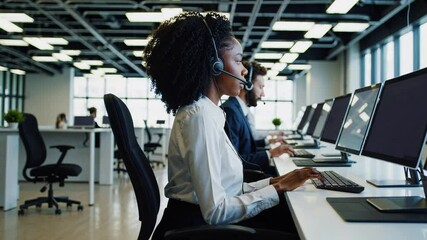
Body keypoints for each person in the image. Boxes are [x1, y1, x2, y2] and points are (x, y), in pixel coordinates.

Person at [143, 12, 321, 240]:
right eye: (237, 61)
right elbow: (216, 211)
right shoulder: (199, 117)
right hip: (197, 228)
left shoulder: (209, 112)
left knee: (300, 215)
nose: (244, 70)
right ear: (214, 65)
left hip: (202, 221)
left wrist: (275, 181)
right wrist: (276, 189)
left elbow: (228, 190)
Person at [221, 60, 293, 176]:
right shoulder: (231, 112)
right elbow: (235, 160)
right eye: (260, 87)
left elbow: (245, 146)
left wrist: (269, 144)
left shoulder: (238, 110)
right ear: (247, 85)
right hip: (243, 177)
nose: (262, 94)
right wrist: (270, 153)